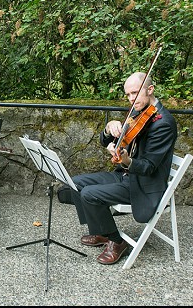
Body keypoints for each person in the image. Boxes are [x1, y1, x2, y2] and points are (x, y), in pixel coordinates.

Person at [58, 71, 177, 264]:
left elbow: (148, 167)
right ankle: (102, 231)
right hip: (125, 175)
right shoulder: (139, 114)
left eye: (135, 93)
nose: (131, 99)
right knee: (75, 183)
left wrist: (126, 160)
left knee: (89, 194)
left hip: (143, 184)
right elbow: (108, 140)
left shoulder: (163, 123)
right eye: (128, 95)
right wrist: (109, 128)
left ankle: (116, 241)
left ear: (150, 89)